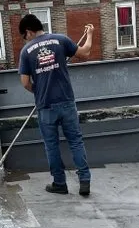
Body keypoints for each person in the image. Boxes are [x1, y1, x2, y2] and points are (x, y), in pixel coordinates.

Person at [18, 14, 94, 196]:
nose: (24, 40)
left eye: (23, 36)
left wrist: (39, 91)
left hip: (46, 106)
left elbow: (25, 83)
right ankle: (84, 182)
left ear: (28, 32)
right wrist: (90, 34)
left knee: (51, 146)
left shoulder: (26, 51)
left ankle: (60, 183)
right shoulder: (60, 40)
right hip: (66, 101)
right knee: (75, 141)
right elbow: (84, 53)